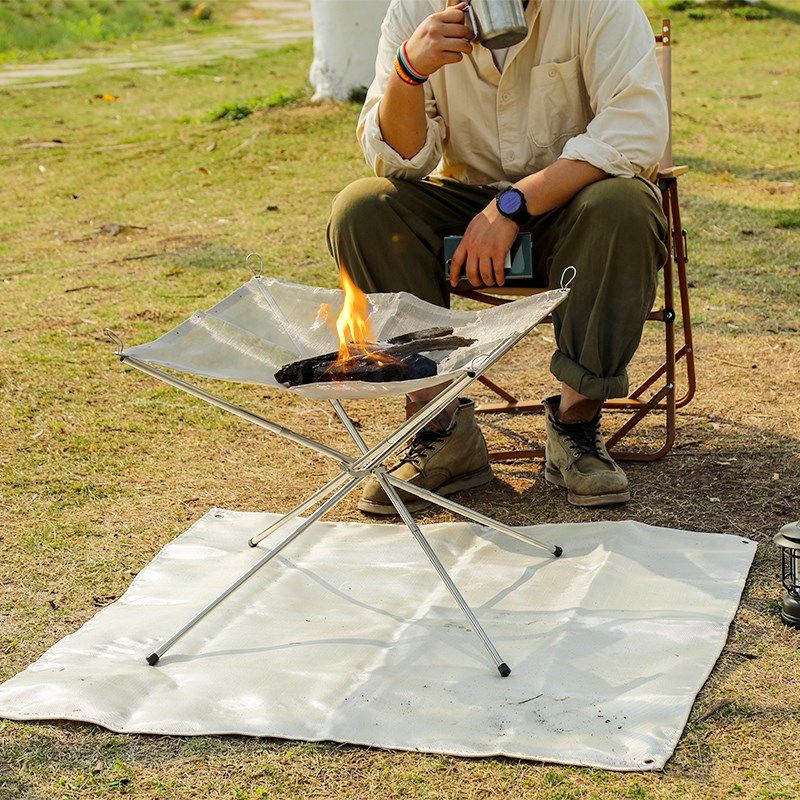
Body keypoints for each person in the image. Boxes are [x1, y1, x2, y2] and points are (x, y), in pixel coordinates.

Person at [327, 0, 670, 514]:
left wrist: (512, 207)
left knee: (626, 203)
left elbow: (636, 130)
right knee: (362, 208)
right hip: (467, 210)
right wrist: (409, 71)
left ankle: (576, 427)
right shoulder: (413, 10)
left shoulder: (599, 6)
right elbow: (397, 162)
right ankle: (439, 428)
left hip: (577, 206)